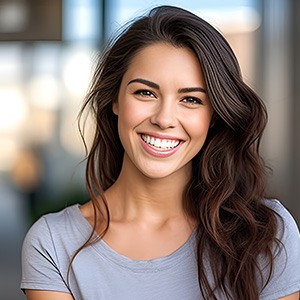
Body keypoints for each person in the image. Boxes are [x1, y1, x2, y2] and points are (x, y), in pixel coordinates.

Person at [21, 5, 300, 300]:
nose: (164, 119)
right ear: (115, 100)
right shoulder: (53, 243)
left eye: (191, 99)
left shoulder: (267, 234)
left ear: (214, 116)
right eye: (145, 93)